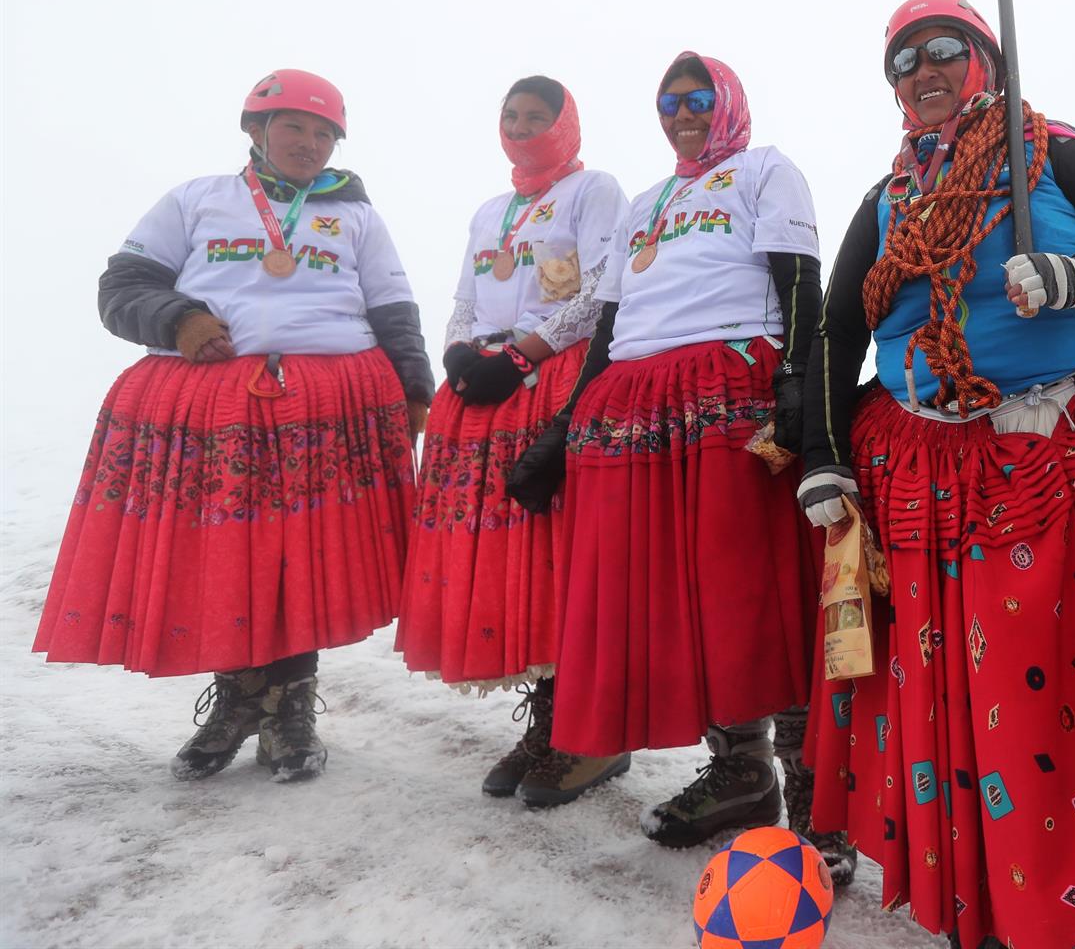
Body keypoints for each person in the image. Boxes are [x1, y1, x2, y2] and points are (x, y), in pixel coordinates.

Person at [798, 0, 1075, 949]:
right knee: (975, 699)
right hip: (927, 467)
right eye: (904, 61)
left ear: (985, 57)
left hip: (1063, 442)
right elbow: (838, 329)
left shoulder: (1054, 150)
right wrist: (819, 453)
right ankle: (993, 882)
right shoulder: (887, 196)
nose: (923, 71)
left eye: (945, 50)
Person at [34, 69, 433, 783]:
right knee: (226, 551)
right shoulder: (196, 199)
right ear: (255, 130)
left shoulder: (355, 217)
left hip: (330, 405)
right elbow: (121, 286)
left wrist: (413, 392)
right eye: (292, 127)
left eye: (323, 133)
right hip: (213, 406)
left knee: (297, 557)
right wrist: (179, 320)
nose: (308, 143)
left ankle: (290, 708)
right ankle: (241, 698)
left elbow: (394, 310)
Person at [507, 53, 850, 876]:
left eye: (698, 99)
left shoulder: (765, 171)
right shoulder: (646, 202)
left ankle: (816, 805)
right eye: (669, 102)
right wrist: (562, 426)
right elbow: (609, 323)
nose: (683, 114)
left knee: (757, 595)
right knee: (679, 603)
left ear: (728, 102)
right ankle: (740, 774)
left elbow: (801, 283)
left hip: (727, 392)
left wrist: (799, 383)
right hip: (629, 407)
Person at [393, 76, 625, 800]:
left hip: (551, 380)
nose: (522, 129)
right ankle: (550, 720)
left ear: (565, 125)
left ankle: (591, 735)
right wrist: (459, 354)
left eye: (537, 117)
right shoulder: (493, 209)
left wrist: (523, 353)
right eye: (511, 117)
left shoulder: (594, 192)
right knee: (510, 561)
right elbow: (466, 294)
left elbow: (599, 290)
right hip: (486, 391)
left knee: (556, 558)